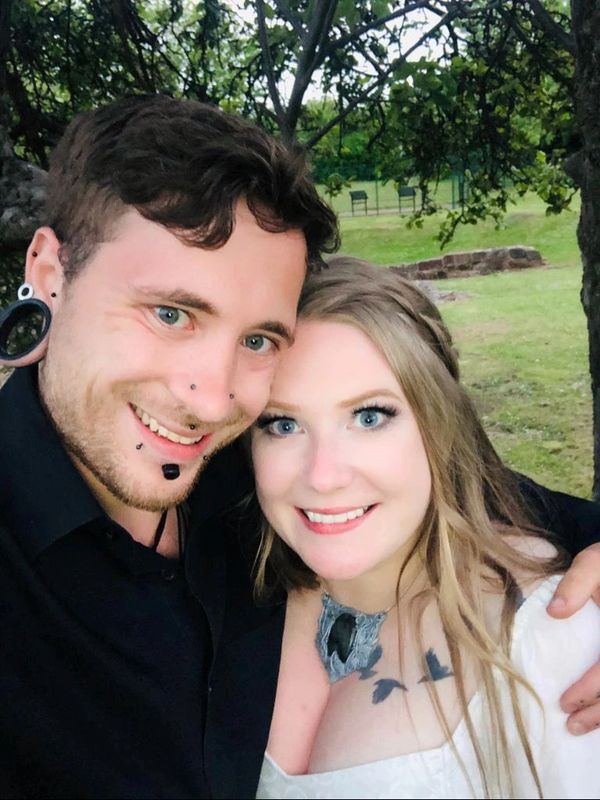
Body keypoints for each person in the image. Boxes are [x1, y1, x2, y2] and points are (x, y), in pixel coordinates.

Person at [0, 95, 599, 800]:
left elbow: (482, 493)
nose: (211, 398)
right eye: (170, 313)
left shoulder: (241, 460)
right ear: (49, 271)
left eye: (256, 340)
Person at [250, 257, 600, 799]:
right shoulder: (220, 595)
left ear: (439, 425)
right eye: (282, 423)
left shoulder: (545, 632)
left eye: (369, 417)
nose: (323, 476)